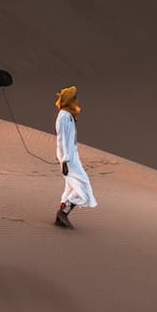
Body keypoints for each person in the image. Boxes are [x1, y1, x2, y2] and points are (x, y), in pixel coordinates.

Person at [54, 85, 96, 228]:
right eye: (74, 98)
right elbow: (63, 140)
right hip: (69, 159)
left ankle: (61, 216)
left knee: (71, 187)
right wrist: (65, 160)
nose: (77, 100)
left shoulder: (68, 115)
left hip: (72, 156)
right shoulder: (64, 117)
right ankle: (63, 213)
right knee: (84, 187)